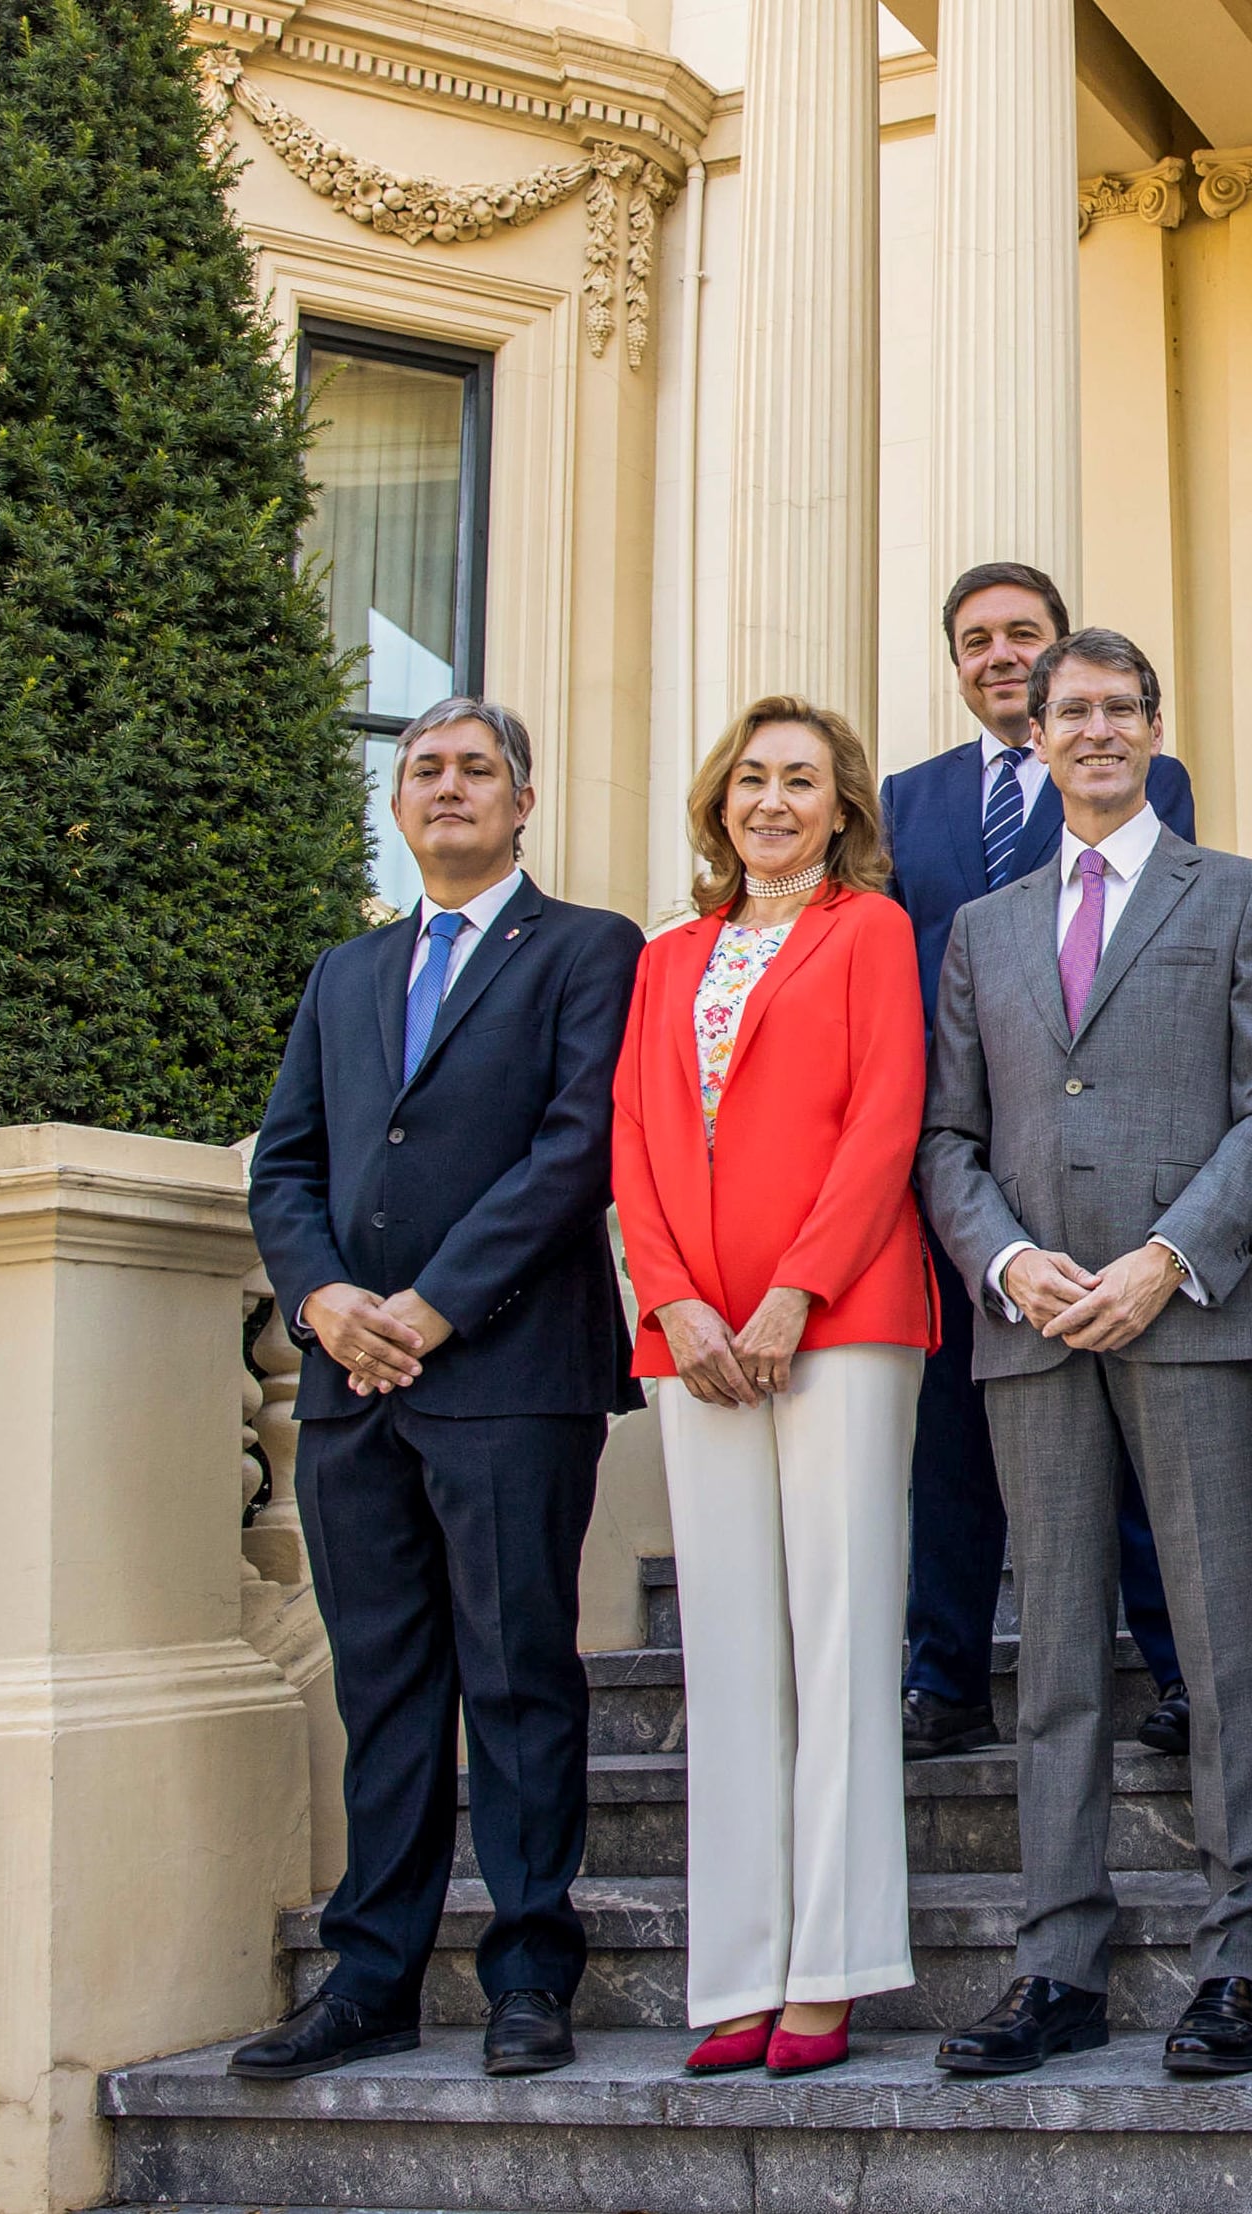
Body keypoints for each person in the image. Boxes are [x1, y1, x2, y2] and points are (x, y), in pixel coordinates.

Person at [919, 627, 1252, 2081]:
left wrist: (1165, 1257)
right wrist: (1014, 1264)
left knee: (1219, 1645)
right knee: (1059, 1666)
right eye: (1067, 710)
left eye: (1117, 706)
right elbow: (947, 1137)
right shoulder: (984, 925)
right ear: (1034, 737)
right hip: (1033, 1329)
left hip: (1190, 1311)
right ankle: (1058, 1958)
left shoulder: (1242, 896)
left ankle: (1240, 1953)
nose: (1094, 729)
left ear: (1156, 724)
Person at [238, 697, 644, 2082]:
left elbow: (577, 1145)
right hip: (352, 1390)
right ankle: (373, 1974)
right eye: (426, 770)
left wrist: (432, 1301)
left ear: (522, 802)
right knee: (385, 1681)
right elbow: (283, 1164)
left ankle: (531, 1971)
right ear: (399, 806)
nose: (449, 787)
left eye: (477, 769)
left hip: (515, 1372)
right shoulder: (345, 974)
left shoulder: (590, 949)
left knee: (521, 1671)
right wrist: (324, 1298)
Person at [612, 697, 934, 2079]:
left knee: (839, 1637)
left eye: (803, 781)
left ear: (842, 806)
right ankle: (739, 1967)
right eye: (753, 778)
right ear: (718, 799)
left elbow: (886, 1117)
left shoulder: (870, 933)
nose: (774, 801)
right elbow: (632, 1131)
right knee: (732, 1651)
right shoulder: (666, 955)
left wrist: (795, 1290)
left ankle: (833, 1963)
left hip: (844, 1317)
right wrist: (675, 1299)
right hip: (691, 1339)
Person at [880, 561, 1196, 1764]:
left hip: (1108, 1154)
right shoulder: (906, 803)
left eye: (1024, 636)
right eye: (977, 640)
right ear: (955, 664)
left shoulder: (1142, 777)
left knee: (1127, 1435)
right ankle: (945, 1676)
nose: (1000, 655)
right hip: (961, 1164)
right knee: (953, 1439)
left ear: (1065, 656)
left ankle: (1171, 1665)